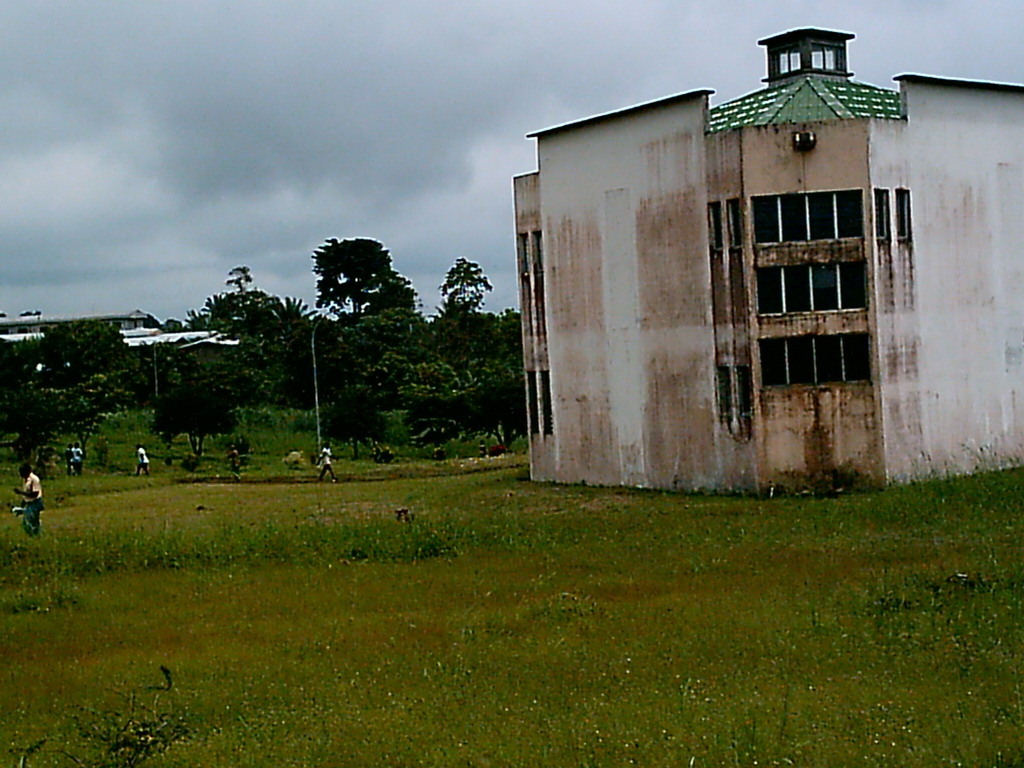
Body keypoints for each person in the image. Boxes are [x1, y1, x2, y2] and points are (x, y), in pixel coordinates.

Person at [11, 463, 43, 537]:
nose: (20, 474)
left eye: (21, 472)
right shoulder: (25, 479)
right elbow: (27, 493)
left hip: (35, 502)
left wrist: (20, 492)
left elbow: (35, 494)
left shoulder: (34, 479)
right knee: (28, 522)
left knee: (30, 521)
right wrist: (23, 504)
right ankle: (35, 536)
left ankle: (35, 536)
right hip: (29, 503)